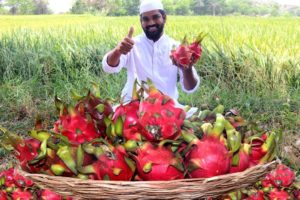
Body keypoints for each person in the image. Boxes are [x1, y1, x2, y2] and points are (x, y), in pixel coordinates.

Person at [102, 0, 200, 112]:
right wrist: (118, 51)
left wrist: (187, 69)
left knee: (198, 115)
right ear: (141, 22)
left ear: (164, 17)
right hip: (133, 106)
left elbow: (190, 88)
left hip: (167, 109)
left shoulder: (176, 47)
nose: (151, 23)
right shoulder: (131, 45)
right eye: (146, 19)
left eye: (155, 17)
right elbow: (108, 67)